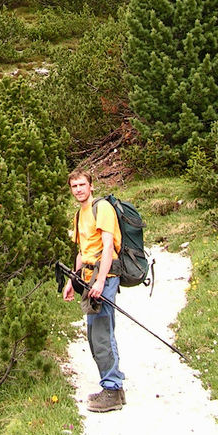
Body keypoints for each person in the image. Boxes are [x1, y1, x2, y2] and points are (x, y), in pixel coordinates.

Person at [62, 168, 126, 412]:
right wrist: (72, 280)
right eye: (74, 186)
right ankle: (115, 389)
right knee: (98, 330)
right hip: (89, 278)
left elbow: (108, 247)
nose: (78, 190)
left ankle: (111, 388)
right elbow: (82, 252)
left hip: (104, 277)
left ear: (91, 186)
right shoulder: (79, 215)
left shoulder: (103, 209)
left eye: (82, 185)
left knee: (100, 330)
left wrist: (100, 281)